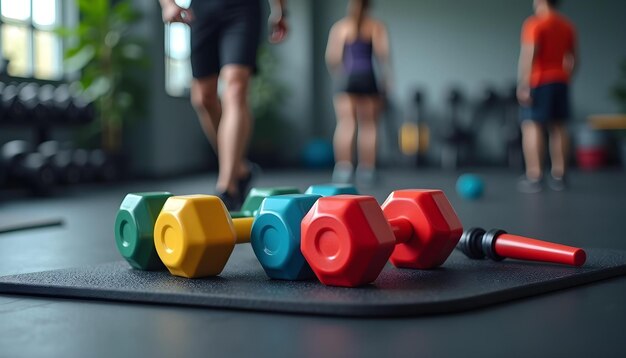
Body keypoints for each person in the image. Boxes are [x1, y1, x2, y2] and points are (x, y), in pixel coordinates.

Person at [159, 0, 288, 209]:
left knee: (236, 88)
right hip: (203, 10)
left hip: (242, 9)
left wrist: (280, 10)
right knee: (202, 98)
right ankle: (240, 168)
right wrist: (167, 4)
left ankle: (227, 187)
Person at [325, 0, 391, 186]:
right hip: (368, 78)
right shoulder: (376, 26)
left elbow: (333, 58)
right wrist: (386, 79)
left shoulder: (340, 28)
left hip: (347, 79)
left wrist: (341, 77)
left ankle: (343, 168)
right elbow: (383, 55)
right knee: (369, 125)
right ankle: (367, 169)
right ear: (369, 6)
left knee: (346, 123)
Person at [517, 0, 577, 193]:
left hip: (539, 81)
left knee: (531, 125)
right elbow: (573, 58)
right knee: (559, 125)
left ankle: (535, 176)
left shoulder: (535, 23)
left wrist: (524, 84)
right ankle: (560, 176)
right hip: (560, 80)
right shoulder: (567, 25)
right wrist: (565, 77)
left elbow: (530, 53)